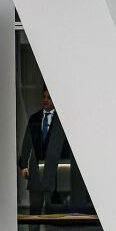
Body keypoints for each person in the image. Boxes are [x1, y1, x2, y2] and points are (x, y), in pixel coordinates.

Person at [18, 87, 74, 217]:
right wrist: (23, 165)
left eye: (49, 98)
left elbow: (67, 147)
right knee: (35, 207)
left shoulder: (62, 121)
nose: (45, 100)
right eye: (44, 97)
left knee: (53, 210)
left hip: (55, 171)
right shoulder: (34, 119)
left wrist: (66, 169)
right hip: (36, 169)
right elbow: (27, 143)